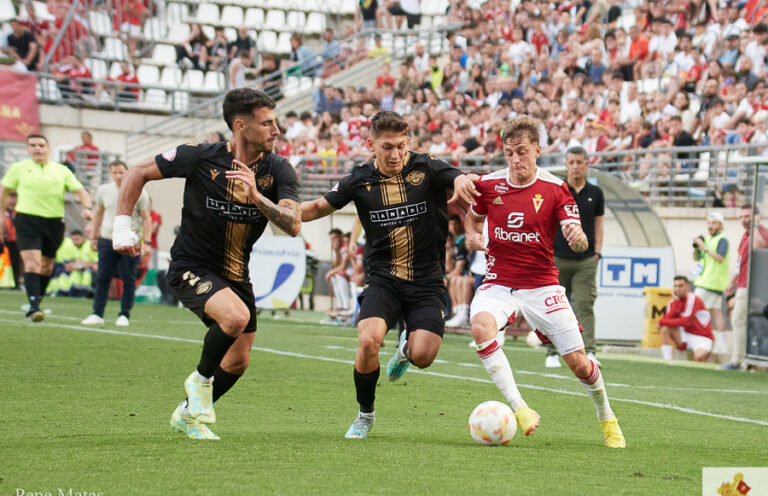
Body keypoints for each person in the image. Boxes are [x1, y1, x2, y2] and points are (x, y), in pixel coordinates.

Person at [112, 88, 301, 440]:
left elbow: (293, 225)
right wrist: (122, 226)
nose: (277, 130)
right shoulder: (200, 157)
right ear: (240, 125)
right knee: (235, 317)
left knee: (238, 361)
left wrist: (257, 196)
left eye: (276, 122)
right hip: (191, 265)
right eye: (267, 123)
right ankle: (200, 379)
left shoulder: (278, 169)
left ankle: (186, 414)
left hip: (236, 274)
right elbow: (136, 172)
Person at [300, 111, 479, 439]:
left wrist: (461, 180)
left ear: (407, 141)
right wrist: (268, 207)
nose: (395, 154)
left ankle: (405, 350)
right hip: (383, 278)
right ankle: (365, 415)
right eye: (387, 147)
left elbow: (455, 176)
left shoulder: (426, 167)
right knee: (368, 340)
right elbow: (315, 208)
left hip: (427, 280)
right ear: (371, 145)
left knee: (423, 356)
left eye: (400, 146)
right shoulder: (359, 179)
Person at [464, 115, 626, 448]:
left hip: (542, 285)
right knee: (480, 327)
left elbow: (577, 237)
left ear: (537, 150)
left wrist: (578, 236)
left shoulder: (555, 188)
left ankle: (607, 417)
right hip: (499, 282)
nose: (515, 160)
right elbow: (473, 219)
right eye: (509, 153)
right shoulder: (489, 185)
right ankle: (520, 408)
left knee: (579, 364)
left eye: (522, 152)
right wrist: (473, 236)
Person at [0, 134, 93, 321]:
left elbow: (81, 191)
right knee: (32, 263)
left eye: (41, 145)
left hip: (54, 222)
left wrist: (87, 208)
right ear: (27, 149)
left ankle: (36, 302)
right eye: (33, 145)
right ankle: (34, 308)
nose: (37, 148)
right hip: (27, 220)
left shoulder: (61, 170)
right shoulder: (18, 168)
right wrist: (1, 214)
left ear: (48, 149)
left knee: (46, 267)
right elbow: (4, 190)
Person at [545, 146, 604, 368]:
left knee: (584, 305)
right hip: (558, 257)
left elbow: (599, 224)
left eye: (579, 162)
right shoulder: (557, 189)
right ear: (566, 165)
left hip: (586, 260)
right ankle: (552, 353)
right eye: (571, 162)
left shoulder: (596, 193)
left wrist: (597, 252)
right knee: (555, 307)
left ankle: (590, 351)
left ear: (586, 164)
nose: (576, 166)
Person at [82, 160, 152, 327]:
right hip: (107, 238)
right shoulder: (103, 190)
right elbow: (99, 213)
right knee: (102, 277)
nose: (119, 176)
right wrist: (94, 236)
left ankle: (124, 314)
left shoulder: (140, 191)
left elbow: (146, 218)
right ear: (110, 173)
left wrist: (147, 242)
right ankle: (97, 313)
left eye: (121, 172)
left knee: (128, 278)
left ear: (127, 172)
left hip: (130, 241)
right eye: (115, 172)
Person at [722, 204, 768, 370]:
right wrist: (732, 282)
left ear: (756, 217)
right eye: (741, 217)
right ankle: (746, 361)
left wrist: (755, 226)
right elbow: (740, 263)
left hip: (753, 285)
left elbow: (758, 247)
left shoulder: (761, 233)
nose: (744, 220)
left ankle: (738, 360)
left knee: (738, 319)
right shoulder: (745, 236)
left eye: (747, 216)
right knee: (742, 320)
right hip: (742, 283)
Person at [692, 211, 730, 355]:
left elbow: (720, 257)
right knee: (716, 312)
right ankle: (720, 344)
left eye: (714, 223)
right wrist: (697, 248)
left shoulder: (722, 240)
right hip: (708, 281)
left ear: (720, 224)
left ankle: (702, 341)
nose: (710, 226)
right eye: (709, 223)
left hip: (709, 283)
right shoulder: (707, 239)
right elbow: (698, 259)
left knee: (694, 310)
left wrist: (704, 247)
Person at [659, 276, 714, 362]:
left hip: (702, 337)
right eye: (675, 286)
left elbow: (685, 321)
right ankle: (667, 361)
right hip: (685, 335)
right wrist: (676, 303)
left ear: (688, 287)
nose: (677, 289)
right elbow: (667, 319)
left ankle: (707, 349)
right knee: (665, 329)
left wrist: (661, 321)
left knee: (699, 358)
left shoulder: (693, 299)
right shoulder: (673, 302)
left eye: (680, 286)